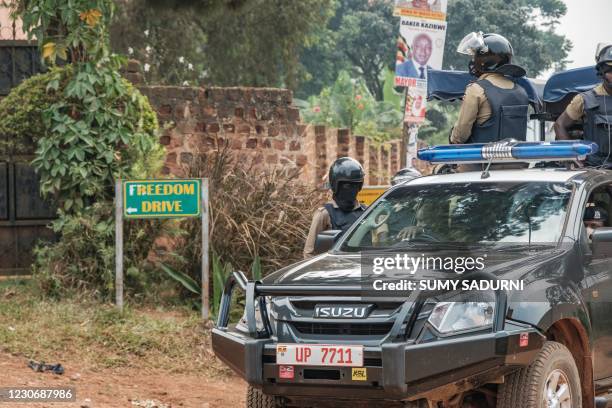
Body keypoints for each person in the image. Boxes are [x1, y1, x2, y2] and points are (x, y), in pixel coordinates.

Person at [450, 32, 529, 145]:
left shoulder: (476, 90)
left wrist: (452, 137)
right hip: (517, 161)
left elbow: (460, 135)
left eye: (475, 56)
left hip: (482, 161)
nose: (473, 60)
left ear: (484, 59)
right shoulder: (522, 92)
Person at [554, 44, 612, 167]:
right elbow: (560, 125)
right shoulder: (584, 99)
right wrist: (571, 155)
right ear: (601, 72)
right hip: (596, 171)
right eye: (610, 71)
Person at [303, 157, 367, 258]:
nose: (351, 189)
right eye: (346, 185)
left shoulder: (367, 212)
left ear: (360, 186)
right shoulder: (324, 214)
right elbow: (309, 252)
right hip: (335, 270)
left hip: (362, 269)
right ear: (335, 185)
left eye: (355, 185)